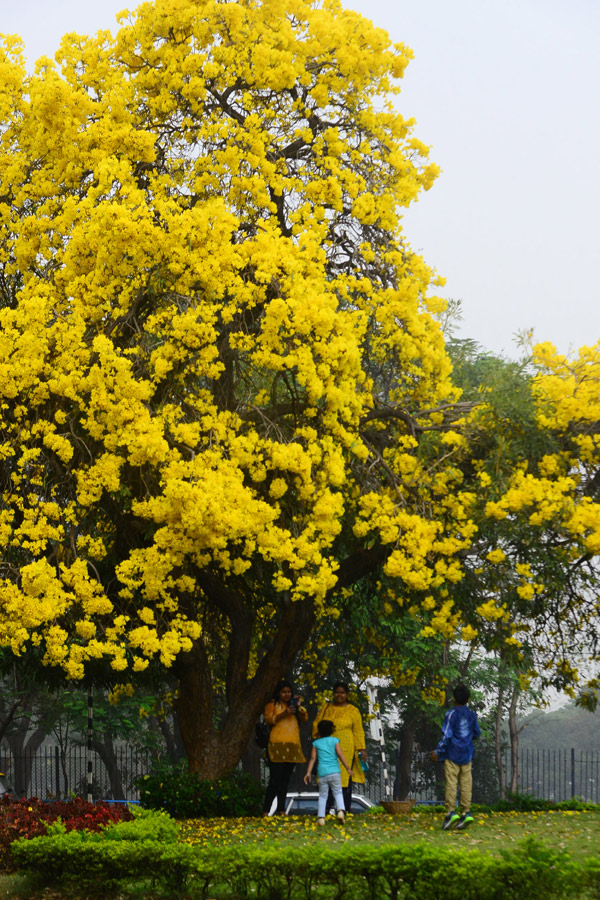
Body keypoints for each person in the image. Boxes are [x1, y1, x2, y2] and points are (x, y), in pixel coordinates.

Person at [430, 683, 481, 831]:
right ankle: (466, 812)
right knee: (466, 784)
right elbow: (477, 733)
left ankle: (451, 812)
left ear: (453, 699)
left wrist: (437, 751)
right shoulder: (472, 715)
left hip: (452, 754)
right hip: (467, 755)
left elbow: (446, 735)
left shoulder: (451, 714)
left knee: (451, 783)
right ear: (468, 699)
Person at [312, 682, 367, 813]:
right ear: (333, 693)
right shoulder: (326, 708)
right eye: (337, 692)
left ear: (347, 695)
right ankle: (326, 809)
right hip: (327, 749)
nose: (339, 695)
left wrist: (361, 749)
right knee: (326, 777)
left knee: (344, 779)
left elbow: (358, 731)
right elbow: (316, 724)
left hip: (346, 750)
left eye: (342, 692)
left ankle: (344, 809)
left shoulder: (353, 711)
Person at [262, 679, 308, 816]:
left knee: (285, 780)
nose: (286, 694)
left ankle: (281, 810)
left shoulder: (294, 707)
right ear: (278, 693)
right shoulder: (273, 704)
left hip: (292, 746)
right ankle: (266, 811)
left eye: (288, 692)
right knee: (275, 780)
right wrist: (284, 713)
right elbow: (269, 719)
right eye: (283, 692)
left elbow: (304, 718)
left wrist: (298, 706)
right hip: (277, 745)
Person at [304, 719, 353, 825]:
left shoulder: (316, 743)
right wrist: (348, 768)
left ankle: (321, 817)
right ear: (331, 730)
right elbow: (340, 755)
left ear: (319, 731)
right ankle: (340, 811)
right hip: (335, 771)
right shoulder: (335, 741)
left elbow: (312, 758)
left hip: (322, 773)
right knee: (338, 792)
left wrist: (308, 772)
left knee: (323, 795)